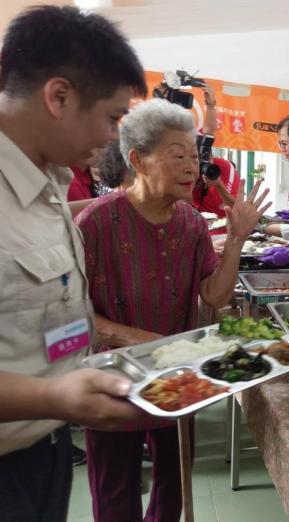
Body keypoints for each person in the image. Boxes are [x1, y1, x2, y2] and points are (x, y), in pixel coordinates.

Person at [74, 98, 270, 522]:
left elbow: (215, 296)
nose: (192, 167)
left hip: (178, 377)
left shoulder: (192, 222)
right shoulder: (94, 223)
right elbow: (71, 313)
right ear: (138, 161)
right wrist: (136, 339)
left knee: (173, 483)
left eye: (194, 156)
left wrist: (236, 239)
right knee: (114, 491)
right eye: (176, 154)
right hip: (113, 380)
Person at [0, 6, 151, 521]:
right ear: (59, 96)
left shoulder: (47, 184)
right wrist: (55, 394)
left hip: (44, 448)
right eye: (112, 117)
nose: (114, 135)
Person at [191, 84, 240, 218]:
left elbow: (237, 209)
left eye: (205, 156)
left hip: (223, 229)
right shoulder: (182, 171)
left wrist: (219, 185)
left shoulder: (223, 168)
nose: (201, 161)